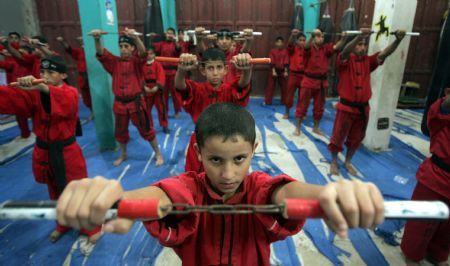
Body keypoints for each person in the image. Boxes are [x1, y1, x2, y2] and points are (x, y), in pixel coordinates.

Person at [55, 102, 386, 266]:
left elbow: (283, 193)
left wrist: (327, 193)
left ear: (254, 150)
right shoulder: (191, 186)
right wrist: (120, 199)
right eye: (216, 160)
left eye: (239, 159)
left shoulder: (257, 187)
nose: (228, 174)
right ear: (198, 153)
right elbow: (163, 196)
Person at [0, 55, 101, 244]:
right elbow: (14, 100)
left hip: (67, 152)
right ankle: (63, 223)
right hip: (44, 151)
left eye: (50, 72)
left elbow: (65, 105)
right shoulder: (37, 92)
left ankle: (92, 226)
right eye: (42, 72)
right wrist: (22, 90)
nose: (45, 76)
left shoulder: (70, 92)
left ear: (63, 75)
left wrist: (41, 88)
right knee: (54, 191)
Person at [328, 28, 406, 176]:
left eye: (364, 45)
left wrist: (398, 40)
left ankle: (347, 161)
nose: (362, 47)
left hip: (363, 109)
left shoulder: (368, 62)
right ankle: (333, 161)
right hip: (346, 108)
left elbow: (385, 53)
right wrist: (359, 37)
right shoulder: (343, 60)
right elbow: (344, 52)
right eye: (359, 44)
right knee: (338, 135)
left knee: (356, 137)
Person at [92, 28, 164, 166]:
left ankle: (158, 154)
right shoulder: (114, 63)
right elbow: (101, 53)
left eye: (126, 46)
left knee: (147, 129)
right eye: (121, 46)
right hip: (119, 104)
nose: (123, 49)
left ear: (132, 48)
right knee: (120, 132)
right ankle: (123, 154)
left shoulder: (137, 62)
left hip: (136, 103)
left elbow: (143, 53)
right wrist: (96, 39)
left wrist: (136, 38)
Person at [174, 48, 253, 173]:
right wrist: (181, 70)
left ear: (226, 70)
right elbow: (180, 86)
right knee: (195, 176)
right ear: (202, 70)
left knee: (226, 175)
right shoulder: (197, 90)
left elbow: (243, 84)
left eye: (219, 67)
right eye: (210, 68)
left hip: (227, 141)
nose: (215, 73)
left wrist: (247, 69)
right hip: (201, 140)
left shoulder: (230, 90)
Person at [400, 87, 450, 266]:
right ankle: (412, 255)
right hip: (437, 176)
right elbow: (441, 109)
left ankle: (437, 254)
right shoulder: (442, 115)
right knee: (421, 223)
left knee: (447, 227)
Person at [294, 29, 346, 136]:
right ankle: (297, 128)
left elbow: (337, 47)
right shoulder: (308, 48)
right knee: (302, 104)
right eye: (318, 36)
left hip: (322, 82)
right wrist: (312, 36)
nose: (320, 38)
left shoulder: (326, 49)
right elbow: (306, 47)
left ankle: (316, 127)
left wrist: (344, 38)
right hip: (308, 80)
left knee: (319, 106)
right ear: (314, 38)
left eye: (322, 36)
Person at [0, 32, 32, 140]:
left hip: (28, 92)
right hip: (14, 87)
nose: (13, 40)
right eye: (11, 38)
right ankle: (25, 134)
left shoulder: (31, 62)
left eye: (16, 38)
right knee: (20, 113)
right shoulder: (13, 63)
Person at [56, 36, 93, 112]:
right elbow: (69, 50)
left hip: (92, 77)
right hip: (83, 77)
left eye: (83, 41)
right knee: (86, 97)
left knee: (94, 95)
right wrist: (62, 41)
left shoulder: (93, 51)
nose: (82, 43)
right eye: (81, 42)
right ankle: (91, 111)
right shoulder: (79, 51)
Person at [152, 27, 182, 119]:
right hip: (162, 73)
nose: (169, 35)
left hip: (173, 72)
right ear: (166, 34)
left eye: (171, 33)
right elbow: (152, 48)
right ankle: (164, 112)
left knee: (175, 94)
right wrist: (152, 38)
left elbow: (178, 49)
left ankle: (177, 112)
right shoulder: (161, 44)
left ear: (173, 35)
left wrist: (175, 40)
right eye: (168, 33)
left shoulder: (176, 44)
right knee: (163, 95)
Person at [143, 46, 169, 134]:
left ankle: (164, 125)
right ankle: (149, 126)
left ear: (154, 55)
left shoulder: (157, 64)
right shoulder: (142, 65)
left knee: (161, 108)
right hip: (147, 90)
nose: (149, 55)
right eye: (147, 54)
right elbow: (140, 77)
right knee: (146, 109)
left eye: (151, 53)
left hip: (157, 90)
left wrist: (157, 86)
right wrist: (144, 87)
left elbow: (161, 75)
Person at [284, 29, 306, 119]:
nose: (302, 42)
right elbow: (289, 44)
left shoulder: (307, 50)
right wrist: (292, 35)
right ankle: (287, 112)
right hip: (293, 74)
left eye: (304, 40)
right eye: (300, 40)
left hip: (304, 75)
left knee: (303, 96)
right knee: (289, 94)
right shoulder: (292, 49)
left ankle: (301, 113)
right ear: (296, 41)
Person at [264, 36, 289, 106]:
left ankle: (284, 101)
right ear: (275, 43)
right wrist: (273, 71)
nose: (279, 43)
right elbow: (272, 61)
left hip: (282, 70)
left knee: (284, 87)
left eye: (281, 42)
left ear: (283, 43)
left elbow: (286, 62)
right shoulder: (272, 51)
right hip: (273, 70)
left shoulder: (285, 51)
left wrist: (286, 71)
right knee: (270, 86)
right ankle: (267, 101)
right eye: (278, 42)